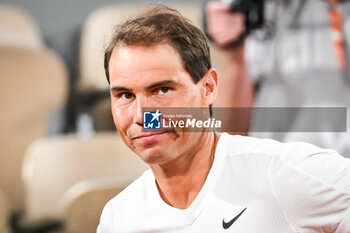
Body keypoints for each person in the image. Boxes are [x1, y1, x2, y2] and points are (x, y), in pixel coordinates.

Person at [97, 5, 350, 232]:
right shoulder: (118, 218)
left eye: (162, 90)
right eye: (125, 95)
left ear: (208, 88)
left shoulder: (279, 173)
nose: (142, 116)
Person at [205, 0, 350, 157]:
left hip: (337, 170)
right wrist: (234, 51)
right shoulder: (259, 12)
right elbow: (229, 138)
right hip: (270, 171)